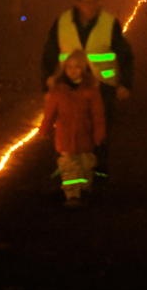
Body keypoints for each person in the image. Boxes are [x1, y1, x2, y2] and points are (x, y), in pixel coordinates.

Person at [41, 0, 134, 183]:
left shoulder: (109, 22)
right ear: (77, 2)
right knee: (68, 126)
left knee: (101, 125)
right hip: (68, 84)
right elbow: (50, 51)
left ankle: (98, 167)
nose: (90, 7)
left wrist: (125, 83)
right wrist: (47, 80)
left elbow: (124, 54)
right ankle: (67, 167)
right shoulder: (63, 21)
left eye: (94, 2)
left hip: (103, 85)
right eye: (86, 3)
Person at [38, 51, 106, 208]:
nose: (73, 71)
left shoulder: (91, 91)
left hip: (85, 136)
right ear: (64, 69)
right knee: (68, 166)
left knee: (85, 165)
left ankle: (84, 190)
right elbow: (50, 114)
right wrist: (45, 129)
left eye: (77, 67)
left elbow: (98, 115)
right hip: (65, 136)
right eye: (69, 67)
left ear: (84, 69)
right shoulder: (58, 91)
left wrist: (99, 134)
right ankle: (72, 194)